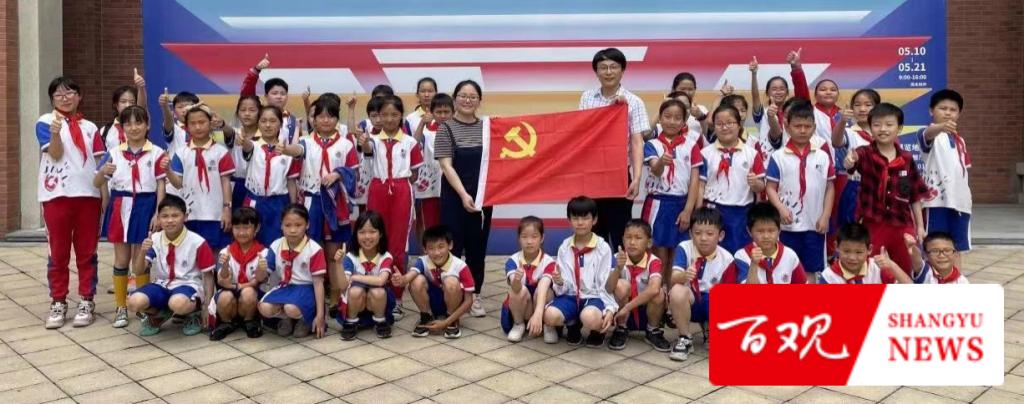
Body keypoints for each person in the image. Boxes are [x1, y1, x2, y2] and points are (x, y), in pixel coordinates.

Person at [38, 76, 105, 329]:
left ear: (79, 96)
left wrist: (104, 195)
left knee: (87, 252)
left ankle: (87, 299)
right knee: (58, 252)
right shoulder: (45, 121)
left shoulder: (90, 127)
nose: (65, 98)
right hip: (56, 196)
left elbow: (100, 164)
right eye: (59, 95)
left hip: (88, 195)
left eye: (70, 93)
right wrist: (56, 133)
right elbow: (55, 154)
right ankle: (58, 300)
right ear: (52, 99)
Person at [96, 105, 167, 328]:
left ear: (148, 125)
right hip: (121, 205)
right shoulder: (114, 152)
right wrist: (103, 172)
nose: (134, 128)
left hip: (146, 205)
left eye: (139, 122)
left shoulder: (157, 152)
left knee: (141, 258)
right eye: (128, 123)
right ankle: (121, 306)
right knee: (121, 259)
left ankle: (142, 305)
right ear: (122, 127)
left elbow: (161, 185)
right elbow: (96, 182)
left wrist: (158, 212)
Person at [578, 48, 651, 251]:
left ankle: (622, 271)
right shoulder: (587, 98)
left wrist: (636, 178)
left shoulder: (634, 102)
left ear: (622, 70)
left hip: (618, 176)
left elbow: (637, 142)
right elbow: (582, 134)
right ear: (596, 72)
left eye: (613, 67)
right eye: (603, 67)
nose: (608, 72)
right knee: (593, 233)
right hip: (592, 176)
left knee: (621, 232)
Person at [843, 103, 928, 274]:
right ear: (870, 128)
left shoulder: (906, 158)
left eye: (889, 124)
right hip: (873, 223)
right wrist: (849, 161)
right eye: (877, 125)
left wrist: (919, 226)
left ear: (899, 128)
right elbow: (851, 163)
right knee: (871, 269)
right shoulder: (864, 153)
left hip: (902, 224)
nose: (883, 129)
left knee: (905, 269)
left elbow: (915, 196)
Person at [359, 95, 423, 314]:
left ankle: (396, 298)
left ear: (401, 116)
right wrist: (363, 141)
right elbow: (367, 149)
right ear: (377, 116)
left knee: (398, 244)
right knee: (373, 239)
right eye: (384, 114)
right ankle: (374, 292)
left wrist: (399, 185)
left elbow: (414, 174)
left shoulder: (410, 142)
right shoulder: (372, 141)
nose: (388, 119)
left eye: (394, 114)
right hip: (378, 189)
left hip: (402, 190)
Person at [436, 80, 492, 318]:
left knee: (477, 246)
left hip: (482, 197)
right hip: (454, 195)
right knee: (453, 244)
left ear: (479, 101)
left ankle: (475, 294)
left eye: (472, 97)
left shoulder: (488, 128)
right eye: (462, 96)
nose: (467, 100)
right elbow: (446, 166)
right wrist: (463, 194)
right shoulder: (445, 128)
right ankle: (453, 292)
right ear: (455, 99)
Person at [128, 195, 216, 336]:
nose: (170, 220)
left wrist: (207, 305)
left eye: (175, 215)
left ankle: (193, 314)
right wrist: (142, 250)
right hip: (163, 284)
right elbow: (138, 271)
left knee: (178, 303)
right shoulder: (155, 239)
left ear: (185, 217)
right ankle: (159, 314)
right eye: (165, 216)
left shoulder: (197, 242)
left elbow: (208, 275)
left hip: (189, 285)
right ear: (159, 218)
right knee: (134, 302)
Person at [766, 101, 835, 278]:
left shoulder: (823, 156)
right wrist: (780, 209)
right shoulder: (778, 157)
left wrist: (825, 216)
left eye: (807, 126)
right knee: (785, 270)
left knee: (810, 271)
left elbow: (830, 188)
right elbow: (770, 188)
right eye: (797, 126)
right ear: (787, 127)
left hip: (815, 225)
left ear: (814, 128)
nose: (803, 130)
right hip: (787, 226)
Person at [695, 105, 766, 253]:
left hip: (741, 213)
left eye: (730, 123)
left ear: (739, 125)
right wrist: (698, 212)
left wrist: (755, 184)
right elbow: (700, 185)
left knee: (740, 254)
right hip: (713, 212)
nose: (724, 127)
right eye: (719, 124)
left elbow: (761, 187)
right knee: (714, 255)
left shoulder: (752, 154)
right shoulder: (705, 153)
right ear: (714, 127)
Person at [668, 207, 735, 361]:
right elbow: (673, 277)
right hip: (690, 300)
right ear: (691, 234)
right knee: (677, 290)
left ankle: (712, 329)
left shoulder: (728, 259)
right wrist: (684, 275)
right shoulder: (684, 247)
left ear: (720, 236)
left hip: (712, 301)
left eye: (710, 234)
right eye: (697, 233)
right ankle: (685, 338)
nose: (703, 238)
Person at [549, 196, 618, 347]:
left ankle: (597, 330)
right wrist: (559, 282)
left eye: (585, 218)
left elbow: (604, 284)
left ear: (594, 220)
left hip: (594, 297)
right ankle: (573, 325)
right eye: (575, 218)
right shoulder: (564, 247)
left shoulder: (603, 248)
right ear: (569, 220)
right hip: (571, 296)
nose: (580, 223)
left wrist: (610, 308)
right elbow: (563, 287)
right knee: (550, 316)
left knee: (590, 317)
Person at [643, 99, 701, 275]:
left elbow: (694, 181)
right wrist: (662, 161)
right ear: (660, 119)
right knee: (658, 255)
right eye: (667, 116)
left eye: (677, 118)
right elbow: (656, 170)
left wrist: (688, 211)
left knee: (677, 256)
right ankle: (658, 290)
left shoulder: (691, 146)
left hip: (681, 204)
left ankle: (672, 291)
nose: (672, 121)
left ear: (684, 122)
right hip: (657, 205)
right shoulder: (652, 144)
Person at [166, 106, 235, 252]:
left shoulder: (221, 152)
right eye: (193, 123)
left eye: (202, 122)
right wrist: (168, 170)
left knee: (216, 253)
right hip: (190, 214)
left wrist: (227, 209)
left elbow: (226, 183)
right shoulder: (181, 153)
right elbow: (178, 184)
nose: (198, 127)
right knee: (191, 253)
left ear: (210, 124)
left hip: (215, 214)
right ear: (186, 126)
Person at [393, 225, 476, 339]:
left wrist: (446, 322)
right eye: (431, 248)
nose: (436, 252)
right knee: (416, 280)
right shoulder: (422, 261)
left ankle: (452, 320)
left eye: (441, 247)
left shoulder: (460, 266)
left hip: (453, 303)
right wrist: (401, 280)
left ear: (450, 245)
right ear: (425, 249)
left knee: (451, 282)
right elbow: (409, 276)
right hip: (431, 301)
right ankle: (426, 316)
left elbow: (469, 301)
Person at [258, 204, 328, 338]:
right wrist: (260, 268)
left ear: (307, 225)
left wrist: (320, 316)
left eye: (298, 225)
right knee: (264, 307)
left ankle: (305, 319)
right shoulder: (276, 245)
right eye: (287, 225)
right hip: (286, 286)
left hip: (307, 289)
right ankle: (288, 319)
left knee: (291, 308)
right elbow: (262, 277)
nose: (293, 230)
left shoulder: (314, 249)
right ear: (281, 225)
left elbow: (319, 284)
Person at [918, 89, 972, 252]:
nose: (948, 113)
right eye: (943, 108)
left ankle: (956, 271)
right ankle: (932, 271)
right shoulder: (928, 133)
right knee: (934, 247)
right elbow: (928, 134)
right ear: (931, 111)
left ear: (959, 114)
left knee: (957, 248)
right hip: (936, 202)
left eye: (953, 110)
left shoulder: (960, 140)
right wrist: (941, 127)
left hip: (960, 203)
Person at [239, 106, 301, 246]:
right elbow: (247, 146)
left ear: (280, 124)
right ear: (258, 123)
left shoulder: (288, 151)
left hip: (279, 203)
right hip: (254, 202)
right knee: (251, 243)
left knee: (277, 243)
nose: (268, 125)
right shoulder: (253, 146)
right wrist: (244, 140)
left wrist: (293, 208)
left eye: (273, 121)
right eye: (263, 121)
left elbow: (291, 181)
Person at [608, 219, 671, 352]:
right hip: (621, 312)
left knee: (658, 293)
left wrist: (628, 307)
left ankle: (652, 330)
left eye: (638, 238)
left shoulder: (654, 261)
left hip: (645, 311)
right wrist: (618, 269)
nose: (632, 242)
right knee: (621, 285)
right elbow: (608, 288)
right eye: (628, 237)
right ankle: (621, 328)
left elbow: (654, 288)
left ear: (649, 242)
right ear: (622, 239)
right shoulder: (616, 258)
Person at [209, 207, 270, 340]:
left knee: (249, 293)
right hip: (230, 294)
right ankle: (226, 323)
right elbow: (222, 281)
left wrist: (261, 269)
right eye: (237, 228)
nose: (241, 233)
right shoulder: (226, 252)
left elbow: (260, 280)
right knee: (224, 297)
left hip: (250, 298)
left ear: (257, 228)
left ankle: (249, 321)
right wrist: (225, 266)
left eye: (246, 228)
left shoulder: (263, 253)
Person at [337, 211, 397, 340]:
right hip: (356, 302)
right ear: (356, 234)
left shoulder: (385, 256)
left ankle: (380, 320)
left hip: (377, 302)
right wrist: (338, 264)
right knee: (355, 291)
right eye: (362, 232)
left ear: (380, 233)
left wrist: (355, 277)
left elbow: (381, 281)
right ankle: (351, 321)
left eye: (372, 232)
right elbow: (343, 286)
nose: (367, 236)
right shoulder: (351, 257)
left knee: (379, 291)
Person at [501, 216, 556, 342]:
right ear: (519, 239)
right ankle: (519, 324)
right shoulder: (513, 261)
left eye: (534, 236)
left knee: (547, 291)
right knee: (516, 291)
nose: (529, 241)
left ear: (542, 238)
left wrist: (538, 314)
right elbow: (516, 289)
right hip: (524, 308)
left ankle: (548, 326)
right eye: (524, 237)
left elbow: (543, 288)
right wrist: (516, 280)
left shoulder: (549, 262)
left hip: (540, 305)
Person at [730, 202, 807, 284]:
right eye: (760, 231)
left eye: (771, 231)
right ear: (749, 231)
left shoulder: (790, 255)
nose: (766, 236)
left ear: (779, 230)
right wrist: (754, 264)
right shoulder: (741, 256)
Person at [412, 93, 453, 241]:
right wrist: (422, 123)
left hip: (452, 186)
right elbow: (413, 145)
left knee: (450, 225)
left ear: (453, 112)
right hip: (430, 188)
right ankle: (428, 253)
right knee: (430, 225)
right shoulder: (426, 132)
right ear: (431, 112)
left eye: (446, 112)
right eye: (438, 112)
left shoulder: (458, 131)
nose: (442, 115)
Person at [820, 223, 912, 284]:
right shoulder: (828, 276)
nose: (852, 257)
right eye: (846, 251)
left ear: (869, 249)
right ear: (836, 247)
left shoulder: (877, 267)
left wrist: (892, 266)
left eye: (859, 252)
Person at [240, 53, 299, 144]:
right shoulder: (258, 114)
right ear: (266, 96)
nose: (279, 97)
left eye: (283, 94)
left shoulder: (292, 120)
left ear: (287, 97)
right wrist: (256, 70)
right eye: (274, 93)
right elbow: (246, 95)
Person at [227, 95, 262, 210]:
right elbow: (227, 130)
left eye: (252, 110)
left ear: (260, 113)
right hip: (236, 186)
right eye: (243, 110)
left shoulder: (266, 136)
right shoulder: (234, 133)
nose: (247, 114)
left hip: (257, 187)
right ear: (237, 113)